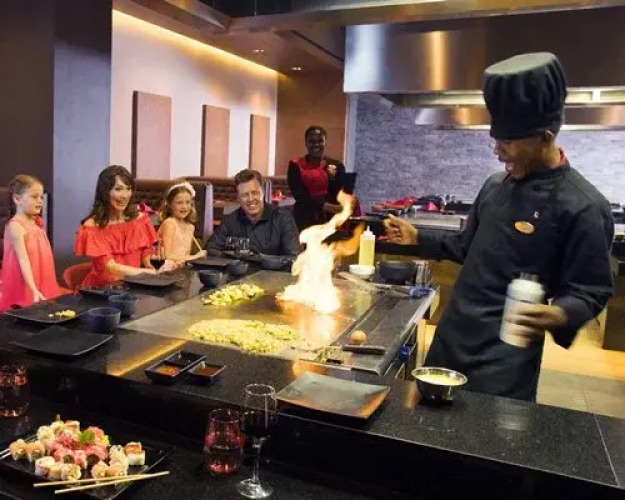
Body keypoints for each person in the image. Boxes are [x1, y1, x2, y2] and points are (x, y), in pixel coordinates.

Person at [384, 52, 614, 401]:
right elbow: (466, 245)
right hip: (451, 340)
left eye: (507, 142)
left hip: (505, 359)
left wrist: (558, 313)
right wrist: (418, 237)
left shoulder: (583, 205)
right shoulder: (495, 186)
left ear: (544, 137)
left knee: (488, 432)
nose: (497, 151)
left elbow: (591, 289)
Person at [75, 165, 178, 287]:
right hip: (101, 290)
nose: (125, 195)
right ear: (104, 193)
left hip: (132, 286)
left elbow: (146, 257)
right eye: (118, 189)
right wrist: (151, 273)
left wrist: (161, 266)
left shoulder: (140, 220)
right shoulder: (92, 227)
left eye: (128, 189)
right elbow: (111, 268)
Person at [0, 175, 66, 310]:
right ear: (17, 199)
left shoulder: (37, 223)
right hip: (25, 283)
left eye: (41, 197)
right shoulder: (15, 226)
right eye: (34, 197)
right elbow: (23, 260)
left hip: (42, 278)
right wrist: (33, 289)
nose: (40, 201)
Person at [206, 169, 300, 257]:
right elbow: (211, 249)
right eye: (245, 195)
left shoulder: (283, 218)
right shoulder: (230, 220)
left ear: (263, 192)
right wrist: (232, 261)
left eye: (254, 193)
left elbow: (293, 257)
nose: (250, 199)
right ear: (238, 198)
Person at [287, 126, 352, 232]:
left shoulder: (337, 165)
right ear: (306, 143)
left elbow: (342, 192)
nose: (316, 144)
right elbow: (299, 194)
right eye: (312, 141)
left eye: (320, 141)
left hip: (331, 219)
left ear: (325, 142)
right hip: (304, 218)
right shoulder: (295, 165)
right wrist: (325, 206)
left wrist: (346, 203)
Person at [157, 182, 207, 263]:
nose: (184, 207)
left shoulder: (190, 227)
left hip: (184, 267)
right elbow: (168, 256)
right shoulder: (169, 224)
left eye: (188, 202)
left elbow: (185, 255)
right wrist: (195, 256)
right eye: (179, 203)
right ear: (169, 204)